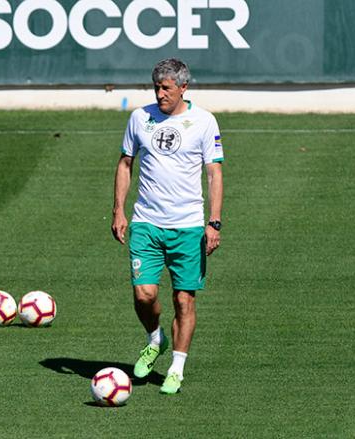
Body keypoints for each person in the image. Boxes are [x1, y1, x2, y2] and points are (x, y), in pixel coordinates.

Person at [111, 58, 224, 394]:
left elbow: (214, 172)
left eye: (166, 88)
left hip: (188, 227)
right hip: (147, 222)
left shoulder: (203, 121)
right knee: (144, 295)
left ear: (183, 88)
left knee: (184, 300)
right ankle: (155, 338)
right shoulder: (139, 118)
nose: (160, 94)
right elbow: (125, 163)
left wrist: (214, 222)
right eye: (156, 87)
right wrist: (118, 210)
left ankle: (176, 367)